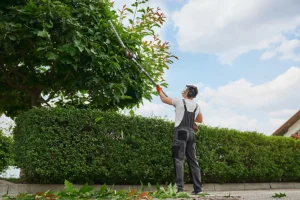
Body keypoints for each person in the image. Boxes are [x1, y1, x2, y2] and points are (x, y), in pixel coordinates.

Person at [156, 84, 203, 194]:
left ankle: (180, 189)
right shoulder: (197, 106)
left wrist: (159, 91)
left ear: (189, 93)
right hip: (191, 134)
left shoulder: (179, 101)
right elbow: (200, 120)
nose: (184, 91)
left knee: (178, 159)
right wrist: (192, 122)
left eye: (186, 90)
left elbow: (163, 99)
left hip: (180, 133)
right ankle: (198, 189)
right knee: (193, 160)